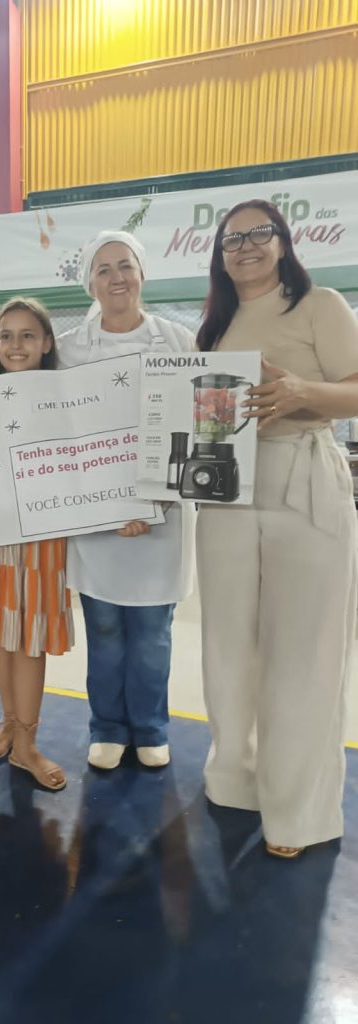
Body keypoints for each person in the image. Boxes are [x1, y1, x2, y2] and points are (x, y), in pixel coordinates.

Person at [195, 200, 358, 859]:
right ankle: (235, 777)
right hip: (225, 490)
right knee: (228, 647)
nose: (246, 246)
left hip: (303, 479)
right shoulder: (214, 327)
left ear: (283, 242)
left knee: (302, 654)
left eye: (259, 233)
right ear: (219, 254)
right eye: (232, 238)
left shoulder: (321, 306)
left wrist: (303, 393)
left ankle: (296, 811)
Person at [56, 231, 195, 771]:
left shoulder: (179, 342)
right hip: (97, 521)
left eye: (125, 266)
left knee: (153, 632)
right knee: (107, 630)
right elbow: (53, 429)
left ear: (142, 274)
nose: (117, 277)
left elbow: (197, 427)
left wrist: (152, 504)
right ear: (89, 283)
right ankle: (109, 727)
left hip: (163, 518)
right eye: (104, 268)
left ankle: (151, 727)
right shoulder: (67, 350)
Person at [0, 298, 74, 790]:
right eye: (6, 335)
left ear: (46, 342)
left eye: (28, 335)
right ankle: (8, 723)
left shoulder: (67, 399)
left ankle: (27, 741)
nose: (16, 345)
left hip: (41, 539)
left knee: (29, 639)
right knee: (3, 633)